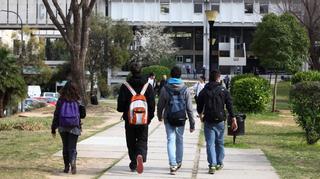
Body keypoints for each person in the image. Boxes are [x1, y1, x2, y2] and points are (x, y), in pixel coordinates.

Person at [196, 70, 238, 174]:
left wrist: (200, 114)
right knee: (219, 142)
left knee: (210, 143)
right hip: (220, 120)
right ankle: (219, 162)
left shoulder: (205, 90)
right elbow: (229, 105)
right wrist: (233, 118)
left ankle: (212, 165)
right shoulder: (223, 90)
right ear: (218, 78)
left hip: (208, 119)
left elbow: (199, 103)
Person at [117, 63, 155, 174]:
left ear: (131, 71)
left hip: (130, 120)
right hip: (143, 120)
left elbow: (120, 106)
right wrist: (149, 118)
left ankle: (134, 162)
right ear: (141, 71)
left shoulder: (125, 86)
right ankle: (140, 155)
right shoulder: (148, 86)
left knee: (131, 141)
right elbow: (152, 105)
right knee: (142, 140)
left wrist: (125, 111)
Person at [157, 66, 195, 175]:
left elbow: (160, 105)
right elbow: (189, 108)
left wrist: (159, 116)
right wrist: (192, 123)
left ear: (171, 75)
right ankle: (178, 162)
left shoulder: (165, 88)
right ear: (180, 75)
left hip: (169, 118)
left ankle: (172, 164)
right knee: (180, 140)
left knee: (170, 140)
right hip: (181, 118)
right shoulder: (185, 89)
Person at [51, 81, 86, 175]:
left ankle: (66, 167)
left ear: (64, 88)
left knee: (65, 147)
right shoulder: (78, 100)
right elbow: (83, 115)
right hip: (75, 126)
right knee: (72, 147)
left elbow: (56, 115)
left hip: (62, 126)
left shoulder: (61, 100)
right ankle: (73, 162)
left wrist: (53, 127)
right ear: (75, 89)